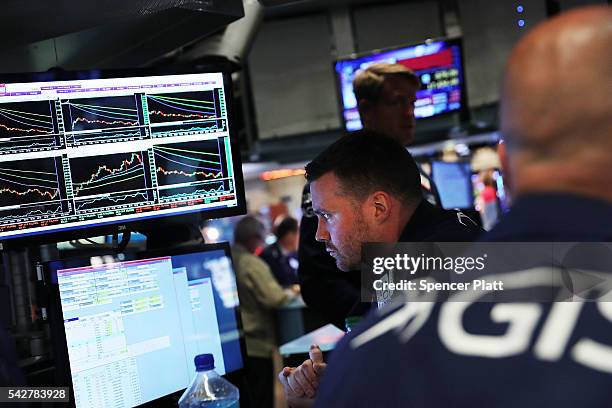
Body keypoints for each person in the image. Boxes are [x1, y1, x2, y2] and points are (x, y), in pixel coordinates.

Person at [313, 5, 612, 407]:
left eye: (326, 217)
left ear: (504, 165)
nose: (409, 114)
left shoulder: (373, 361)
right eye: (397, 102)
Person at [280, 130, 483, 405]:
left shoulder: (428, 264)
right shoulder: (418, 249)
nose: (319, 234)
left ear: (378, 207)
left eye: (327, 216)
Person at [298, 63, 441, 328]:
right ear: (366, 109)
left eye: (412, 102)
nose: (409, 113)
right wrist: (373, 322)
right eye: (397, 103)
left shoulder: (421, 178)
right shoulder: (332, 182)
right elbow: (319, 281)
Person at [231, 216, 296, 408]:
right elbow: (274, 297)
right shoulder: (251, 263)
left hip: (236, 343)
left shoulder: (227, 256)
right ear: (252, 238)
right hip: (257, 344)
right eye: (260, 238)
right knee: (263, 399)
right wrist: (291, 291)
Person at [260, 216, 300, 287]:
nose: (299, 237)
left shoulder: (296, 254)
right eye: (297, 233)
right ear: (289, 235)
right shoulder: (268, 255)